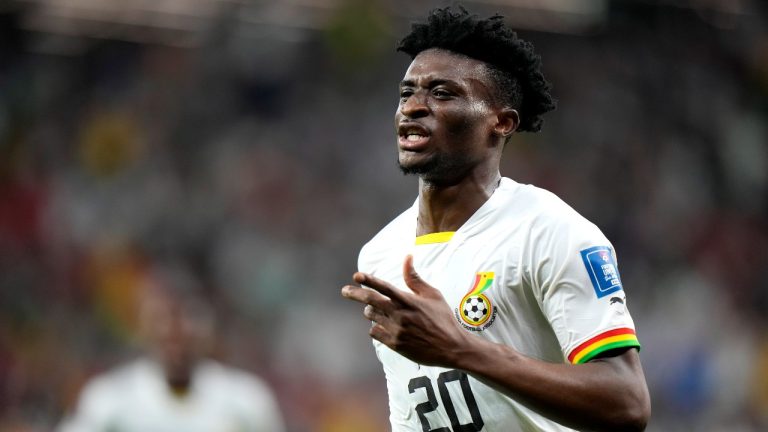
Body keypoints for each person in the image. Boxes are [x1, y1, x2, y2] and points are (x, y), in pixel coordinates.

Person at [341, 6, 651, 432]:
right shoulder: (380, 253)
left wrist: (459, 348)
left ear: (501, 122)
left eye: (442, 93)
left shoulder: (550, 231)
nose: (413, 107)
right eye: (406, 92)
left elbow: (627, 403)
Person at [58, 264, 285, 432]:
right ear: (145, 329)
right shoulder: (111, 400)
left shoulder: (246, 400)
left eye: (186, 323)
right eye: (164, 322)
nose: (175, 334)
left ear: (207, 330)